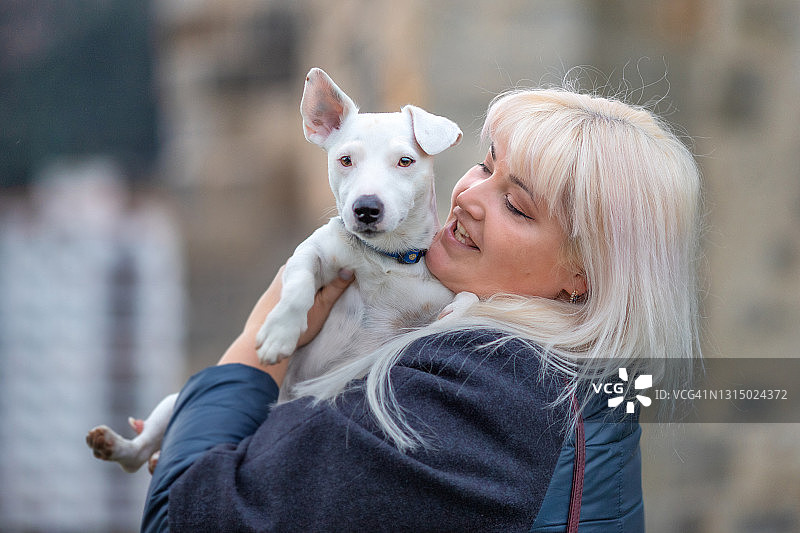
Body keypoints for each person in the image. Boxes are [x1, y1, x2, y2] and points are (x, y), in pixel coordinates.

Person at [142, 86, 702, 532]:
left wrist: (257, 347)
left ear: (583, 277)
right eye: (485, 166)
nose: (468, 197)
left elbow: (179, 516)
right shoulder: (580, 382)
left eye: (515, 205)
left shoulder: (474, 399)